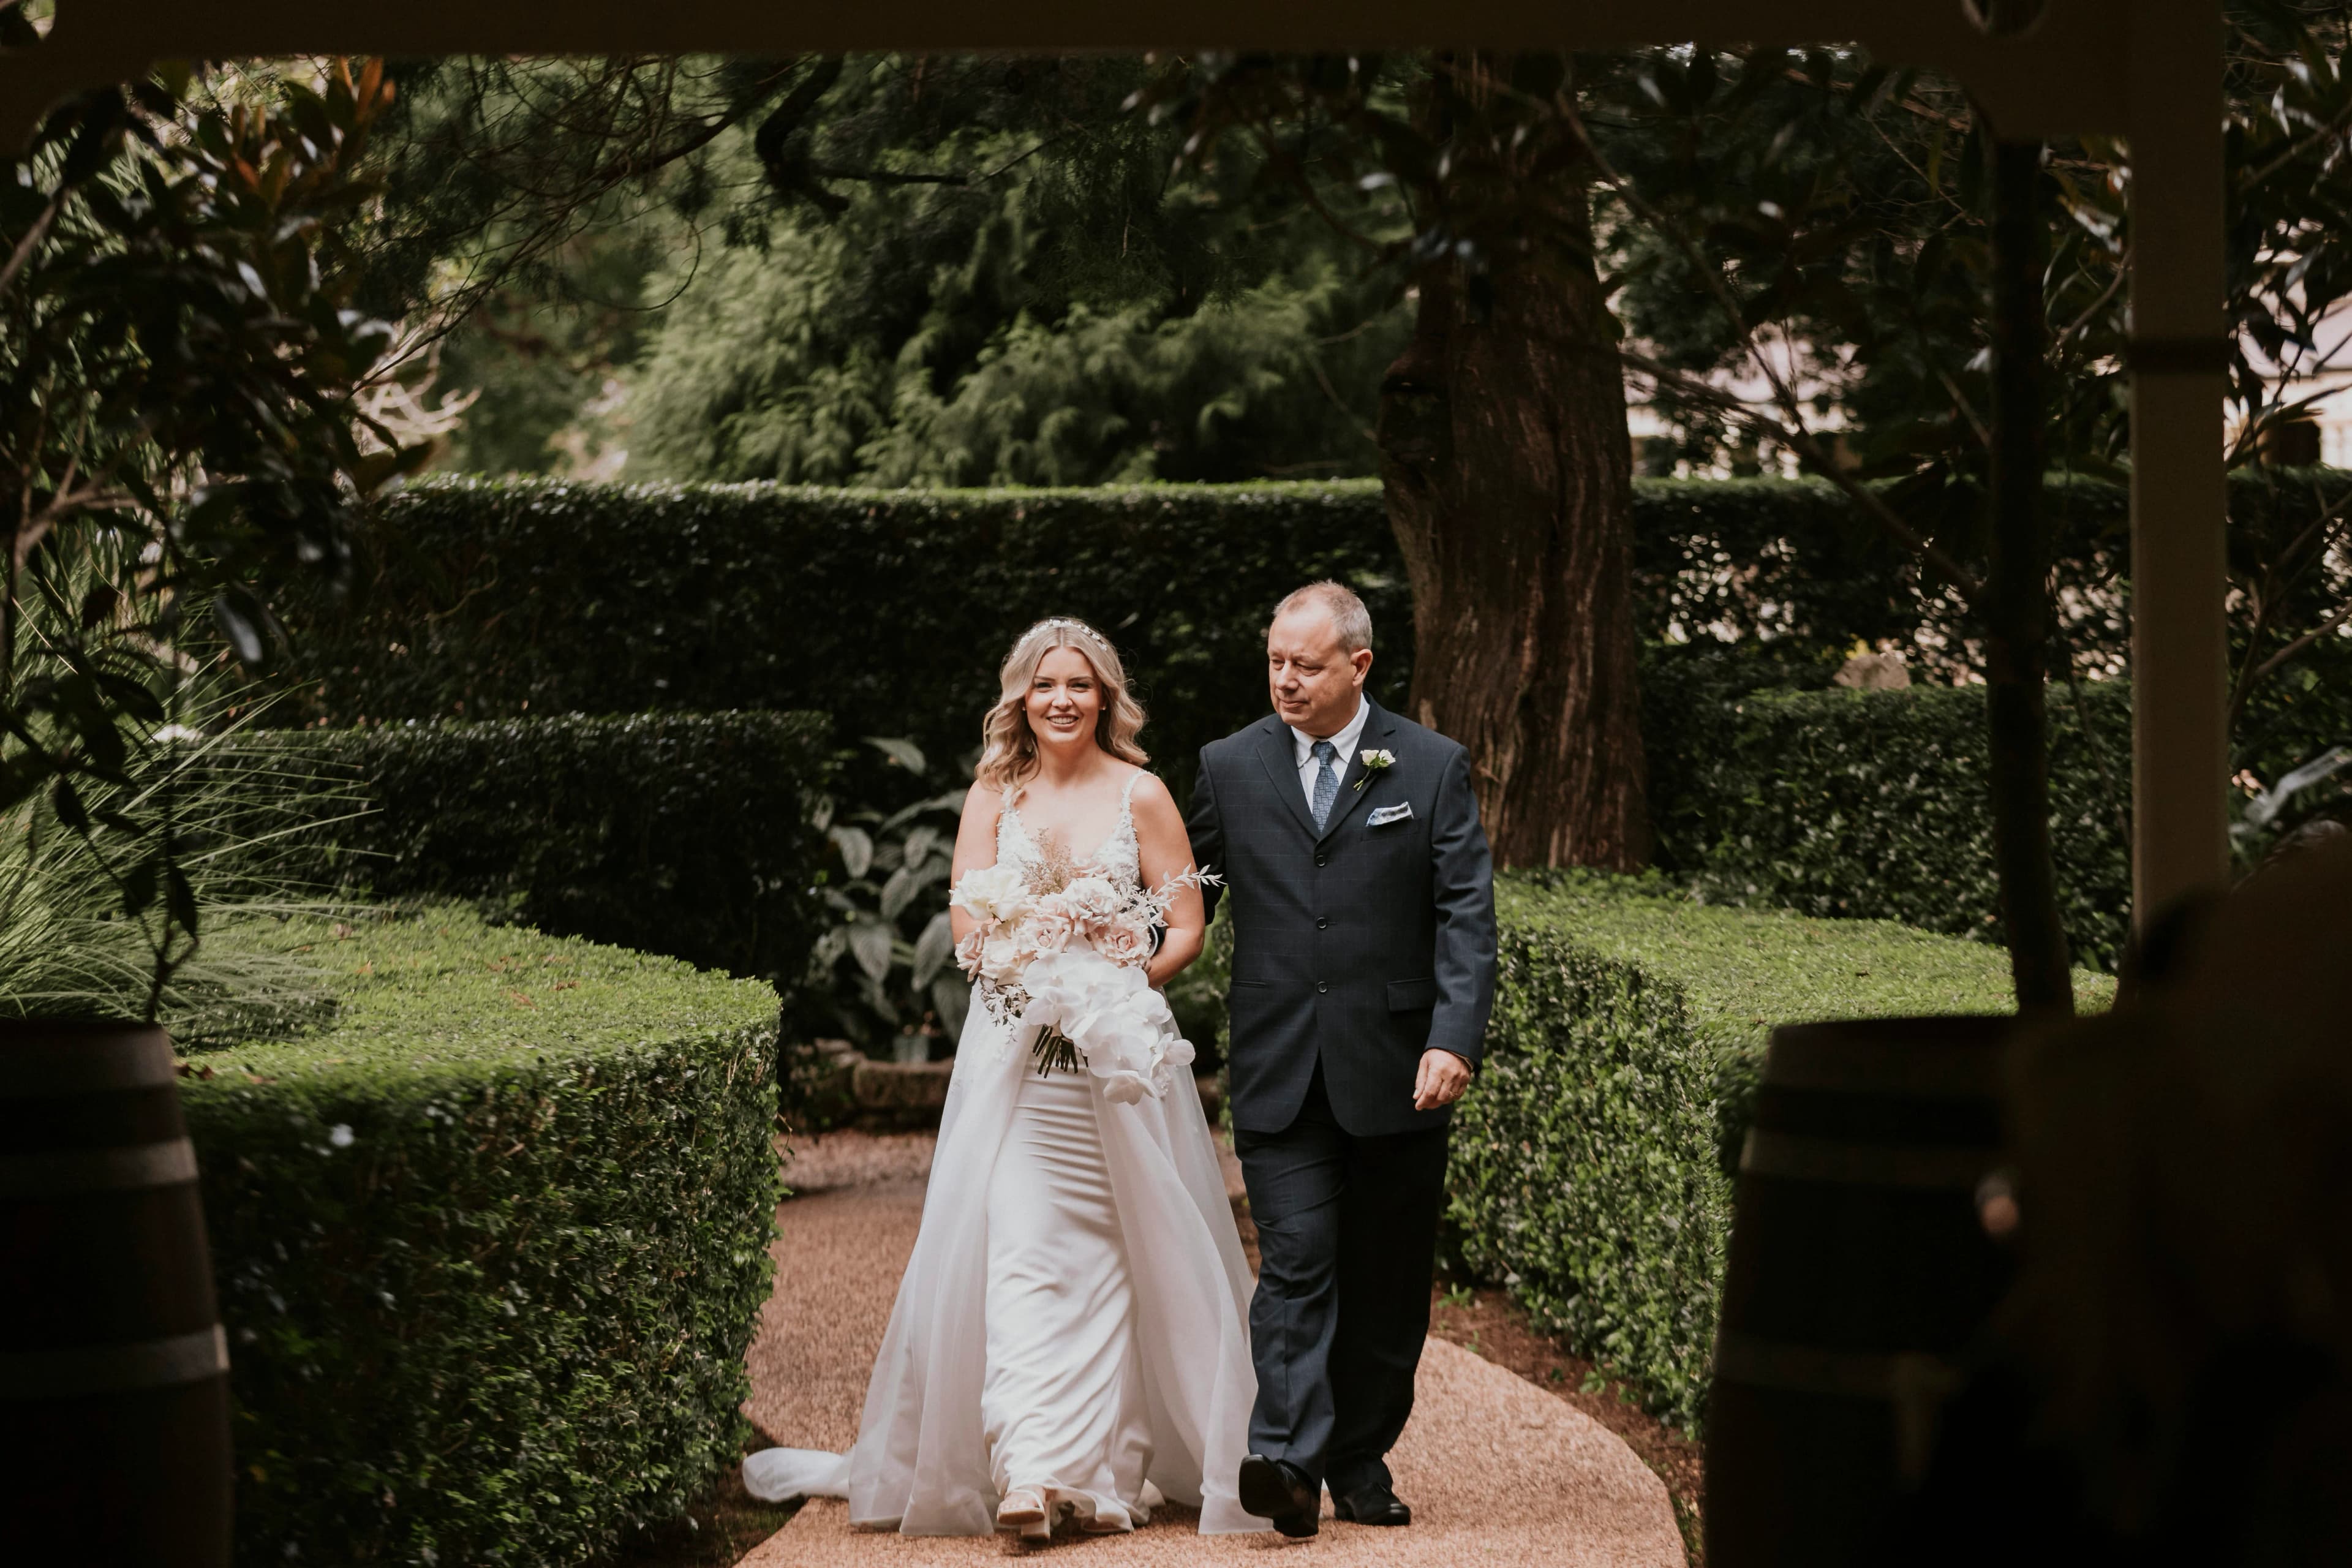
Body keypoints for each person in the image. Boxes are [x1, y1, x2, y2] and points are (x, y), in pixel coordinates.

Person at [742, 617, 1259, 1538]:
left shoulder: (1142, 794)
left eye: (1082, 684)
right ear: (1020, 695)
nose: (1063, 699)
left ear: (1106, 697)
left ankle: (1094, 1480)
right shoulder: (995, 792)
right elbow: (968, 922)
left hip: (1112, 1065)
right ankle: (1029, 1470)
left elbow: (1184, 923)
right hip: (1019, 1068)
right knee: (1023, 1253)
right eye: (1045, 684)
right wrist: (1022, 956)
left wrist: (1118, 977)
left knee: (1117, 1262)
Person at [1185, 581, 1498, 1537]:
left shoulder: (1431, 765)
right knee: (1297, 1263)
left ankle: (1358, 1454)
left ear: (1358, 666)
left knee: (1389, 1280)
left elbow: (1465, 917)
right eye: (1276, 660)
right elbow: (1182, 893)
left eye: (1306, 665)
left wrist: (1454, 1036)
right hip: (1279, 1065)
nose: (1285, 679)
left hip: (1401, 1066)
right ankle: (1283, 1461)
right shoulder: (1228, 767)